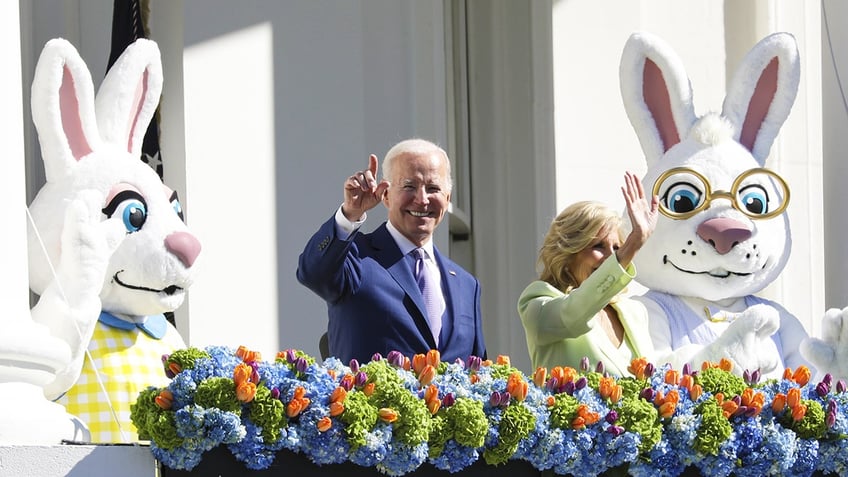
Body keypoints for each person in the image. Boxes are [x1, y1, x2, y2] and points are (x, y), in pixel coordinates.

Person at [297, 138, 486, 364]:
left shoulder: (466, 285)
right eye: (409, 186)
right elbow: (312, 272)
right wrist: (349, 214)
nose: (422, 199)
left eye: (433, 188)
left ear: (447, 198)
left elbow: (479, 369)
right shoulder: (354, 257)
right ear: (385, 195)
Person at [517, 172, 659, 376]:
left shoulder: (635, 312)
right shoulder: (538, 302)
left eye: (617, 247)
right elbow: (573, 314)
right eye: (598, 246)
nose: (612, 257)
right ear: (568, 252)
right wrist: (633, 244)